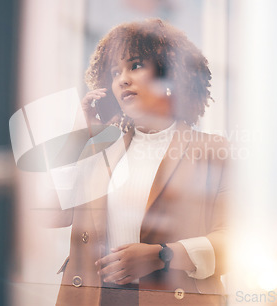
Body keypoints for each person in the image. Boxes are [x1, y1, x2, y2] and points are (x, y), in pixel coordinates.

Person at [50, 18, 230, 305]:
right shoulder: (101, 150)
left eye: (135, 65)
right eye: (114, 72)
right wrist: (80, 137)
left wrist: (162, 256)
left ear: (169, 76)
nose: (122, 79)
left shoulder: (213, 151)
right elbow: (53, 215)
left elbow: (235, 241)